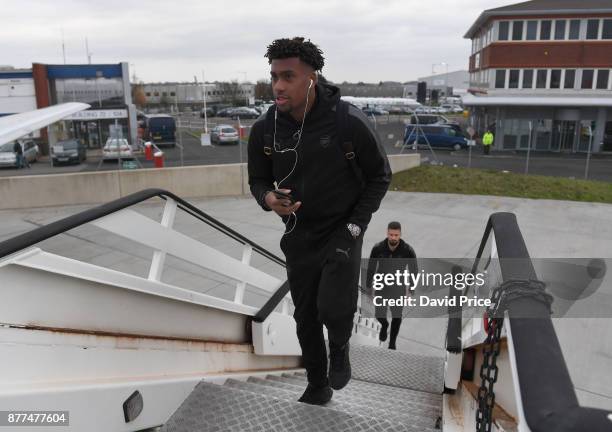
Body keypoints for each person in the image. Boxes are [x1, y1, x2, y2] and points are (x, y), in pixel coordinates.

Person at [248, 37, 391, 405]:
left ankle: (340, 346)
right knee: (305, 315)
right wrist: (268, 198)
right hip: (299, 232)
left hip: (344, 227)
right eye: (274, 76)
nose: (278, 85)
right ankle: (317, 382)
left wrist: (356, 225)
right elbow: (257, 179)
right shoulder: (266, 128)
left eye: (288, 76)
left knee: (332, 306)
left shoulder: (347, 120)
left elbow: (380, 176)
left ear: (312, 78)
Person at [366, 221, 417, 350]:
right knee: (379, 314)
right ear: (387, 233)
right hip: (381, 286)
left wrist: (411, 289)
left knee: (397, 316)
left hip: (398, 288)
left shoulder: (407, 250)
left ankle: (392, 343)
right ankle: (384, 325)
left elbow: (414, 270)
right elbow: (371, 268)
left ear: (400, 234)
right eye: (391, 234)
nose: (393, 237)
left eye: (396, 235)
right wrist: (369, 288)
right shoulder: (378, 248)